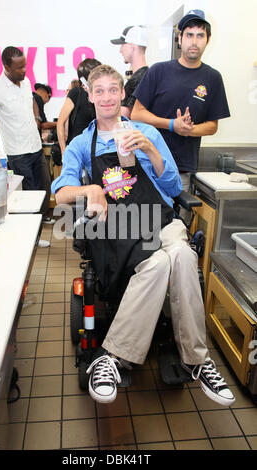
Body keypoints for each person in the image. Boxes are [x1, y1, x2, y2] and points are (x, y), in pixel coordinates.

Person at [52, 64, 235, 407]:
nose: (106, 97)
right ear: (89, 97)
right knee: (171, 258)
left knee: (180, 253)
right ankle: (193, 359)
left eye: (113, 90)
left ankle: (133, 359)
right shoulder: (80, 143)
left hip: (158, 216)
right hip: (118, 225)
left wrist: (150, 150)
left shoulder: (146, 133)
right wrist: (89, 188)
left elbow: (169, 187)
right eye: (99, 91)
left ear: (122, 94)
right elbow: (61, 194)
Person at [131, 10, 230, 191]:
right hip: (146, 165)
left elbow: (212, 126)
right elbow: (136, 114)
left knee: (178, 219)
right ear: (180, 38)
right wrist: (171, 125)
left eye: (200, 35)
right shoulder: (158, 71)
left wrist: (189, 130)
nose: (194, 41)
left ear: (208, 40)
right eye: (189, 35)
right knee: (143, 218)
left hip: (182, 170)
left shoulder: (213, 78)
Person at [0, 46, 49, 247]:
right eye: (19, 68)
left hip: (35, 146)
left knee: (42, 189)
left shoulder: (26, 82)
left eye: (25, 66)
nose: (24, 71)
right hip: (18, 152)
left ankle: (37, 225)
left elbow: (32, 103)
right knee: (28, 195)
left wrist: (36, 117)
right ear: (6, 67)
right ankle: (31, 239)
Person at [57, 58, 101, 155]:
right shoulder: (76, 92)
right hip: (77, 148)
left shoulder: (100, 94)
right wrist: (63, 151)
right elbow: (60, 122)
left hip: (97, 147)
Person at [110, 25, 148, 118]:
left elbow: (124, 117)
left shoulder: (138, 79)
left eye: (122, 45)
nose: (120, 50)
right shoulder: (146, 75)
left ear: (132, 45)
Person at [32, 83, 57, 225]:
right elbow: (42, 124)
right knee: (44, 182)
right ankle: (42, 216)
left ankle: (38, 218)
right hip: (33, 148)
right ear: (47, 95)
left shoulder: (31, 97)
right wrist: (59, 123)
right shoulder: (37, 99)